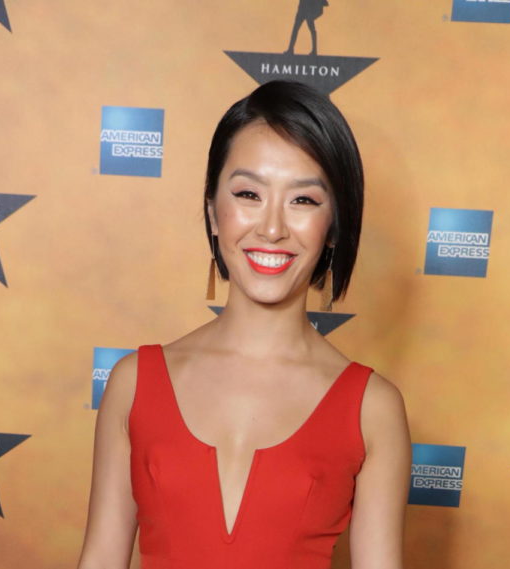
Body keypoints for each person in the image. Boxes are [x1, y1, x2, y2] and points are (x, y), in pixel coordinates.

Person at [78, 81, 411, 569]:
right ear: (213, 211)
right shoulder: (133, 384)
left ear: (335, 226)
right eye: (249, 194)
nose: (272, 228)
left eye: (303, 201)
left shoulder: (372, 409)